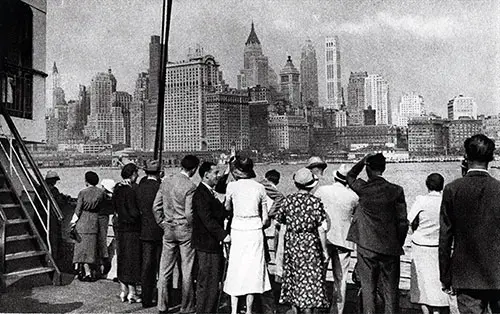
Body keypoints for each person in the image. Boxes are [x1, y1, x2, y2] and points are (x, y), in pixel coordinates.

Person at [439, 134, 500, 313]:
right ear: (491, 157)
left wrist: (445, 275)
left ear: (466, 157)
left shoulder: (452, 189)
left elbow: (445, 238)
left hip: (466, 274)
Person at [346, 153, 408, 314]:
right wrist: (398, 243)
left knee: (368, 290)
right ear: (384, 168)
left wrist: (363, 160)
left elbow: (350, 175)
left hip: (367, 247)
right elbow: (403, 222)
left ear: (368, 169)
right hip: (390, 248)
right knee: (391, 292)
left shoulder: (363, 189)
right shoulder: (396, 190)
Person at [277, 167, 329, 314]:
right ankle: (308, 310)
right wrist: (324, 251)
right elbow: (321, 229)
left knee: (294, 277)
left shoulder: (288, 201)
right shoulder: (315, 202)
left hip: (293, 244)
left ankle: (294, 309)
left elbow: (280, 223)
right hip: (311, 244)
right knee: (311, 280)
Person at [224, 156, 271, 314]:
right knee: (253, 270)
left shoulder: (231, 187)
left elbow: (227, 208)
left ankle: (234, 310)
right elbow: (265, 219)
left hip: (238, 229)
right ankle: (249, 310)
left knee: (236, 268)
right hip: (254, 230)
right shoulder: (259, 188)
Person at [154, 155, 200, 314]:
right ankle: (187, 306)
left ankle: (162, 305)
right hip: (184, 229)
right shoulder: (190, 186)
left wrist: (162, 223)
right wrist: (192, 227)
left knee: (164, 269)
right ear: (194, 169)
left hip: (168, 228)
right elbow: (188, 213)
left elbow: (156, 207)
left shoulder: (166, 182)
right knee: (186, 268)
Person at [314, 164, 359, 314]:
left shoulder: (321, 191)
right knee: (341, 279)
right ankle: (337, 311)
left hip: (323, 239)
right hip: (344, 241)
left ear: (335, 177)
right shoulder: (354, 196)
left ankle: (316, 307)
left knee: (318, 276)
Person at [192, 162, 231, 314]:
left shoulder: (208, 192)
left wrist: (226, 208)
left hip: (210, 244)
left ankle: (208, 310)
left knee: (212, 281)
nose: (218, 176)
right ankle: (204, 311)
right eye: (215, 173)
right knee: (208, 281)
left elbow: (217, 213)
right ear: (206, 175)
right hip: (206, 245)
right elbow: (207, 219)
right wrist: (224, 235)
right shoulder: (201, 194)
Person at [409, 173, 450, 314]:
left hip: (421, 246)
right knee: (439, 284)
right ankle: (439, 311)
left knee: (422, 284)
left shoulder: (421, 201)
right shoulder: (446, 201)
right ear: (442, 185)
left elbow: (409, 220)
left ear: (427, 185)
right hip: (440, 246)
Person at [113, 163, 142, 304]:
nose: (137, 176)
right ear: (132, 174)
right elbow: (134, 212)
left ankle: (123, 289)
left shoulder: (117, 189)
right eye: (136, 173)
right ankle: (133, 292)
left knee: (122, 258)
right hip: (132, 230)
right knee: (132, 260)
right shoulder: (131, 190)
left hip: (120, 229)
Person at [137, 160, 163, 308]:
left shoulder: (140, 187)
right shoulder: (160, 187)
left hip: (144, 230)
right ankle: (162, 298)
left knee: (147, 266)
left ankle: (146, 298)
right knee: (162, 266)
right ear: (159, 173)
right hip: (159, 230)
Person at [70, 171, 105, 282]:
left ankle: (84, 272)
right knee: (91, 250)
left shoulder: (82, 193)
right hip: (94, 222)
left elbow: (78, 210)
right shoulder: (101, 193)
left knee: (82, 250)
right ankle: (91, 273)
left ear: (86, 181)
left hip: (82, 223)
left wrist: (73, 222)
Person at [98, 178, 115, 278]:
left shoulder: (101, 196)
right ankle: (105, 259)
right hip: (107, 220)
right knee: (103, 241)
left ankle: (103, 261)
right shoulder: (112, 198)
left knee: (100, 241)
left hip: (100, 220)